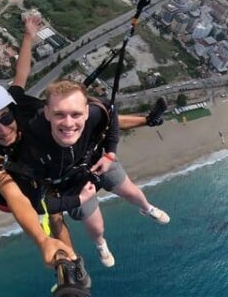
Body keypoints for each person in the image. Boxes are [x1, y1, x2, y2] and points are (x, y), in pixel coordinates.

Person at [17, 79, 170, 268]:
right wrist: (78, 200)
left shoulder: (95, 114)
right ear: (47, 113)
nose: (68, 122)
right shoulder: (33, 141)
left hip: (95, 161)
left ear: (87, 112)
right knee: (96, 226)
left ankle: (147, 208)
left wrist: (110, 153)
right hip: (70, 186)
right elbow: (40, 206)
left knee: (132, 192)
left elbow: (111, 112)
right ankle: (101, 244)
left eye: (76, 114)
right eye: (59, 114)